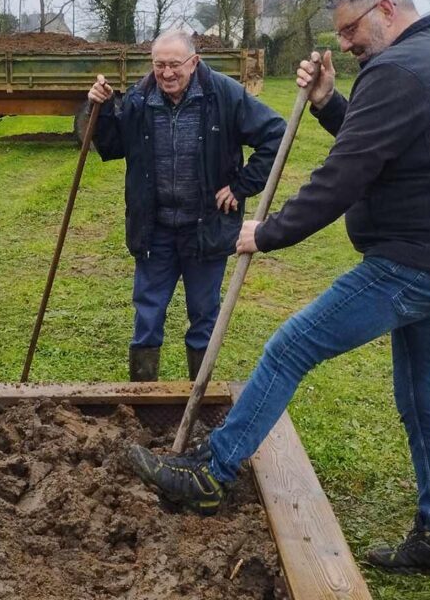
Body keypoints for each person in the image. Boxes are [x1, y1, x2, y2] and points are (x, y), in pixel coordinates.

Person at [128, 0, 430, 583]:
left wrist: (266, 231)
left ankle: (209, 473)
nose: (347, 43)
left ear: (385, 9)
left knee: (292, 344)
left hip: (415, 264)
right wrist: (328, 103)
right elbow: (377, 142)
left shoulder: (400, 68)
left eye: (352, 29)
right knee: (422, 403)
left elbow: (345, 173)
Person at [88, 30, 285, 382]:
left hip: (205, 228)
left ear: (194, 62)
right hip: (155, 229)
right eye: (159, 65)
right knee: (147, 315)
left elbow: (275, 134)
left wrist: (241, 185)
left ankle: (199, 397)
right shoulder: (139, 98)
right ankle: (143, 400)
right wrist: (100, 109)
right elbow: (110, 145)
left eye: (175, 64)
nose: (166, 73)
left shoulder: (224, 95)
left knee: (204, 315)